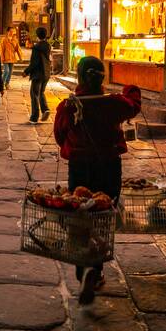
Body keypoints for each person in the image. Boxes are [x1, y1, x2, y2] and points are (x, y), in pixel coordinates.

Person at [52, 56, 142, 304]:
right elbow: (133, 104)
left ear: (80, 77)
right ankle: (97, 267)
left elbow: (60, 136)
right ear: (102, 77)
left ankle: (84, 269)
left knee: (80, 215)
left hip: (80, 168)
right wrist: (129, 86)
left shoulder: (68, 106)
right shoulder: (113, 103)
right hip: (109, 167)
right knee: (103, 214)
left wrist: (74, 146)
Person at [25, 26, 53, 123]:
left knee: (34, 94)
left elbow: (34, 62)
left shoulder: (37, 47)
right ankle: (45, 109)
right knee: (41, 92)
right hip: (46, 73)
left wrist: (26, 71)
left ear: (37, 35)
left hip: (37, 74)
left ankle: (34, 117)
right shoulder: (48, 46)